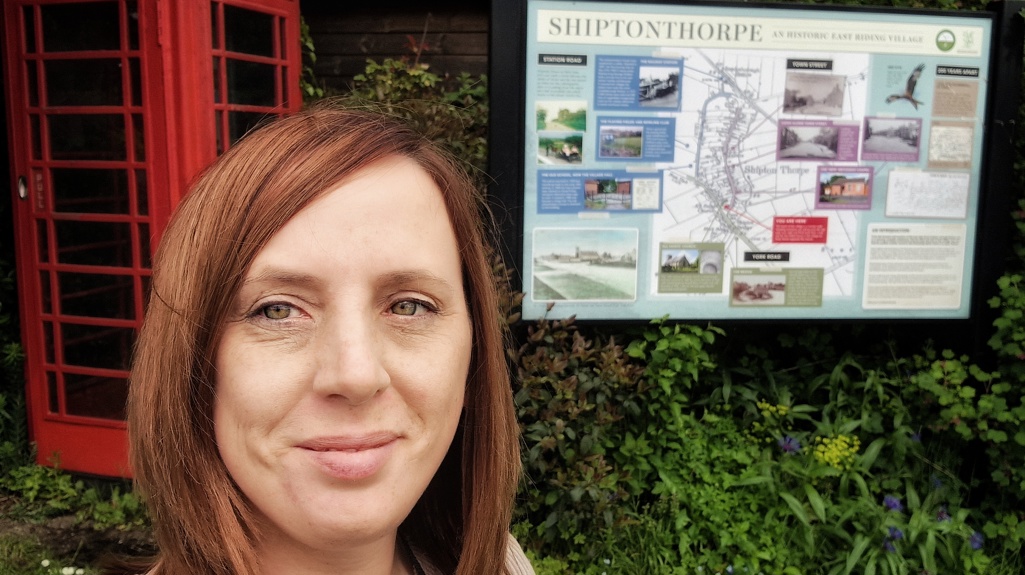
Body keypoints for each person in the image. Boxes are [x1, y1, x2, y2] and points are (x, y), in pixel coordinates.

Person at [125, 104, 534, 575]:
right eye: (278, 311)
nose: (356, 375)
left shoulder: (500, 563)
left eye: (409, 306)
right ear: (193, 361)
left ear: (473, 347)